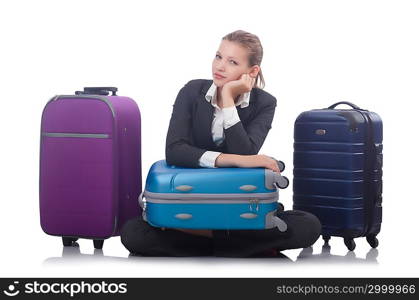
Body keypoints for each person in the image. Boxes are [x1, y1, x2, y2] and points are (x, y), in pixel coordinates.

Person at [121, 30, 321, 257]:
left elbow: (245, 150)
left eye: (232, 62)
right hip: (192, 201)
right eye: (218, 56)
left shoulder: (264, 103)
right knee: (133, 233)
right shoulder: (192, 91)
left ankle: (203, 240)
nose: (220, 66)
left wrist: (227, 99)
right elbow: (175, 150)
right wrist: (237, 161)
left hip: (235, 205)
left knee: (309, 224)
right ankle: (243, 244)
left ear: (252, 71)